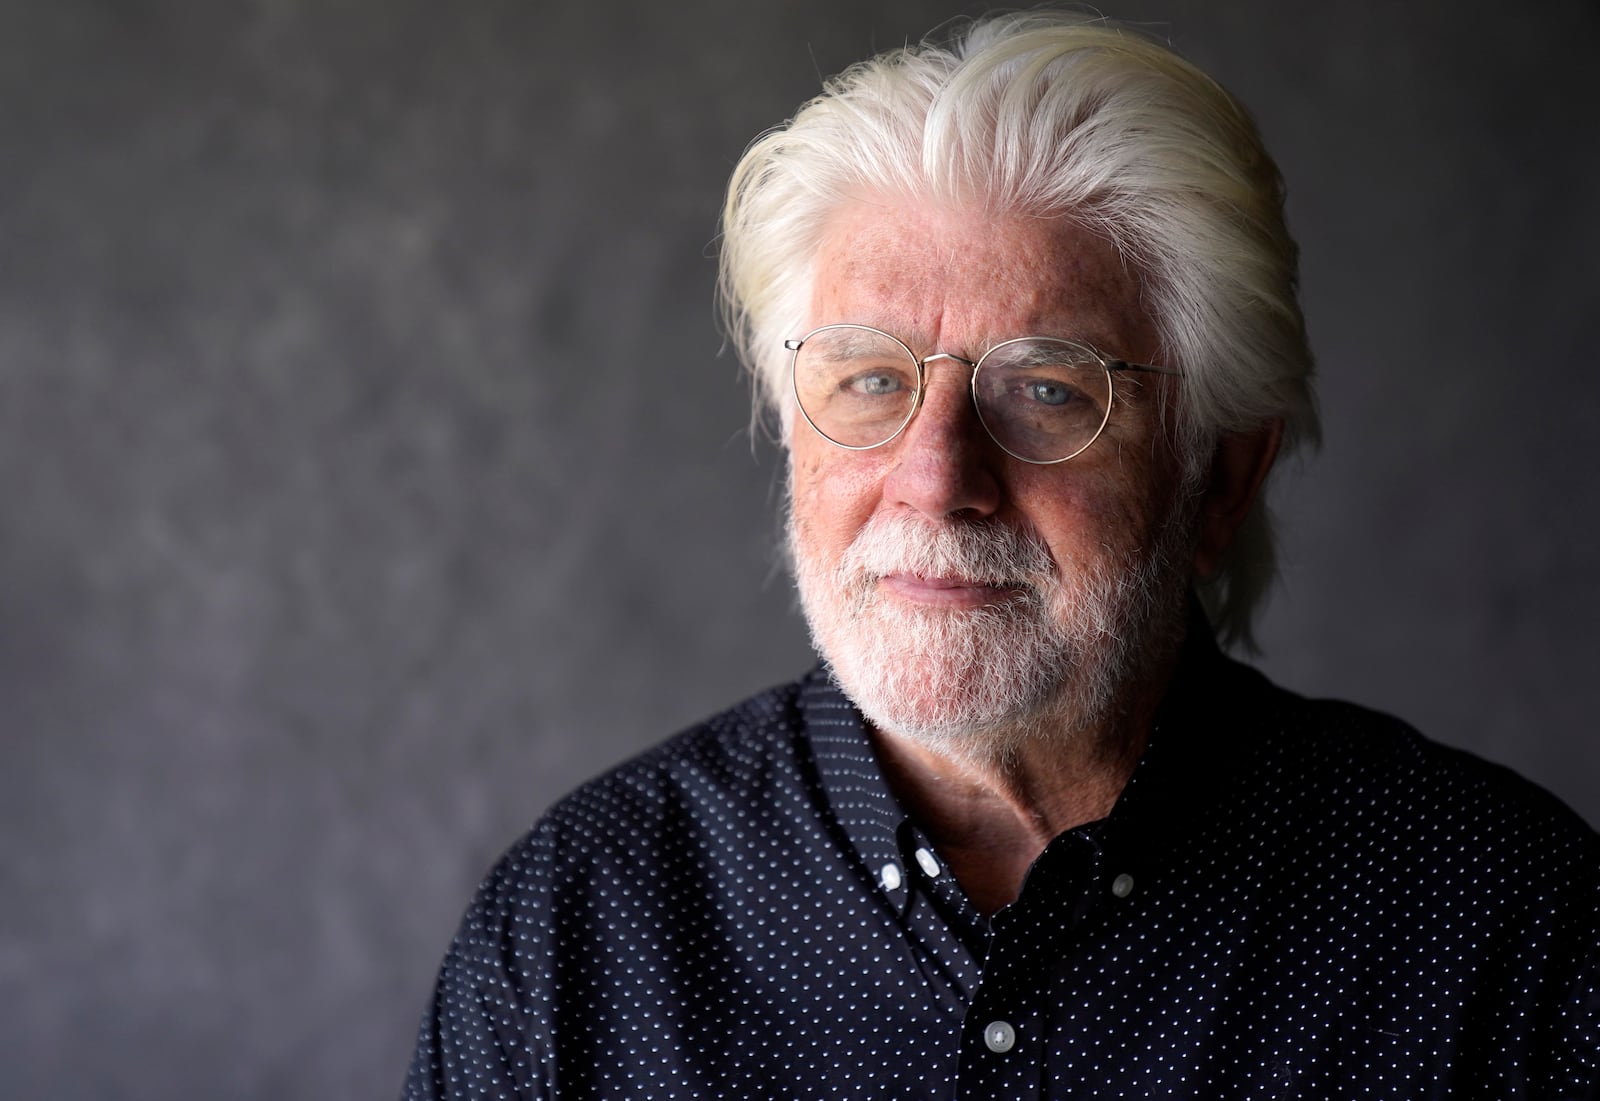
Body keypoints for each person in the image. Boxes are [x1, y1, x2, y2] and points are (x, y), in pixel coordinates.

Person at [403, 12, 1598, 1099]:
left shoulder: (1506, 927)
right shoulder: (575, 937)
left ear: (1219, 476)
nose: (936, 479)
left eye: (1044, 389)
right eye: (868, 381)